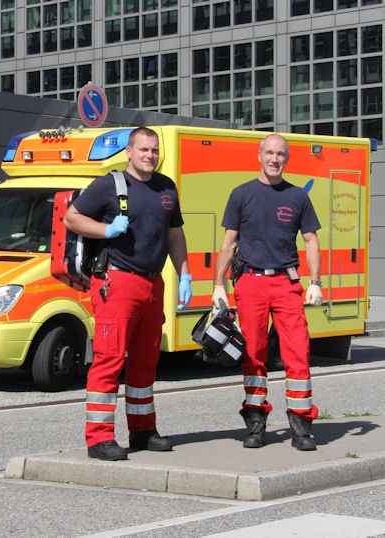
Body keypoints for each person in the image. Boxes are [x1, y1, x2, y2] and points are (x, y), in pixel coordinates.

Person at [63, 126, 192, 461]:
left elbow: (174, 234)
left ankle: (143, 430)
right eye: (143, 150)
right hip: (117, 282)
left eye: (154, 150)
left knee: (146, 361)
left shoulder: (167, 187)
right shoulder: (110, 184)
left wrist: (184, 274)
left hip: (152, 283)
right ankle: (99, 438)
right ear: (129, 153)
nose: (150, 155)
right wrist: (106, 229)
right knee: (109, 358)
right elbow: (72, 217)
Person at [213, 133, 322, 451]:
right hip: (251, 282)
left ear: (287, 159)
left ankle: (301, 425)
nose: (275, 159)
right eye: (270, 153)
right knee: (253, 354)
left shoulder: (298, 196)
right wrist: (218, 285)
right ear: (259, 156)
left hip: (286, 285)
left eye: (281, 154)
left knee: (297, 354)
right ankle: (256, 423)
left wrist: (315, 282)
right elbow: (228, 242)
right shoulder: (241, 194)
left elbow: (311, 240)